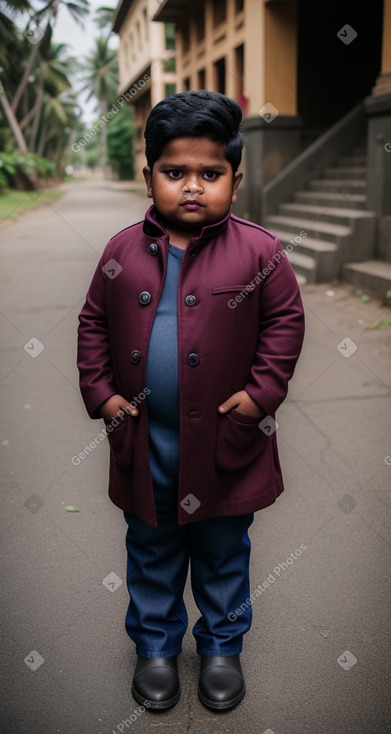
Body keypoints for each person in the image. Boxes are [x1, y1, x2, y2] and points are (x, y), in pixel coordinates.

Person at [77, 90, 305, 712]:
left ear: (236, 177)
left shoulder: (261, 253)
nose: (193, 187)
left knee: (223, 549)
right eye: (175, 173)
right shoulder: (121, 252)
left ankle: (222, 646)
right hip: (146, 442)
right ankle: (154, 645)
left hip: (227, 444)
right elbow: (92, 324)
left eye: (211, 174)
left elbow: (285, 323)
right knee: (151, 549)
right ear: (147, 175)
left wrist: (261, 396)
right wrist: (101, 396)